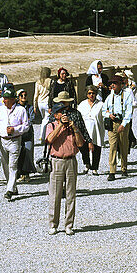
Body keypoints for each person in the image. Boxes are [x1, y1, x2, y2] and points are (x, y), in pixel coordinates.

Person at [45, 93, 88, 235]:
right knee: (55, 194)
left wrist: (74, 127)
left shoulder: (71, 126)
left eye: (63, 112)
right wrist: (60, 127)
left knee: (71, 194)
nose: (62, 115)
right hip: (57, 161)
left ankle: (69, 224)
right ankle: (53, 224)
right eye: (59, 113)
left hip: (71, 161)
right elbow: (49, 140)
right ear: (55, 115)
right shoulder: (51, 125)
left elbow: (81, 143)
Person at [0, 85, 28, 200]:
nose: (3, 100)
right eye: (3, 98)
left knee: (12, 166)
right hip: (2, 141)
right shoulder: (0, 110)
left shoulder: (21, 110)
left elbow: (26, 126)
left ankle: (9, 190)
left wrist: (15, 129)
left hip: (14, 141)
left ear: (12, 99)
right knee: (5, 166)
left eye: (6, 98)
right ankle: (13, 187)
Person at [102, 74, 134, 180]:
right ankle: (112, 171)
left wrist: (123, 124)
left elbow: (129, 112)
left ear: (121, 84)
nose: (113, 85)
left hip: (122, 123)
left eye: (115, 83)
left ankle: (124, 168)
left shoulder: (127, 94)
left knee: (123, 145)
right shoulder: (110, 96)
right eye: (112, 83)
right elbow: (103, 110)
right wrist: (108, 115)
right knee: (112, 147)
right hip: (112, 124)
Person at [78, 85, 105, 175]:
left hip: (97, 130)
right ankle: (87, 164)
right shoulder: (82, 104)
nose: (91, 95)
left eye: (93, 93)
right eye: (89, 93)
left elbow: (105, 115)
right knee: (84, 149)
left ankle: (95, 168)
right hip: (85, 130)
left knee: (96, 149)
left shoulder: (101, 104)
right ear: (87, 94)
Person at [16, 88, 36, 180]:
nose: (24, 97)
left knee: (28, 152)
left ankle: (27, 173)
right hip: (19, 133)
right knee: (19, 152)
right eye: (21, 95)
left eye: (25, 95)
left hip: (28, 133)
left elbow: (31, 119)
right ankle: (19, 173)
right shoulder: (16, 107)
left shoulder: (30, 107)